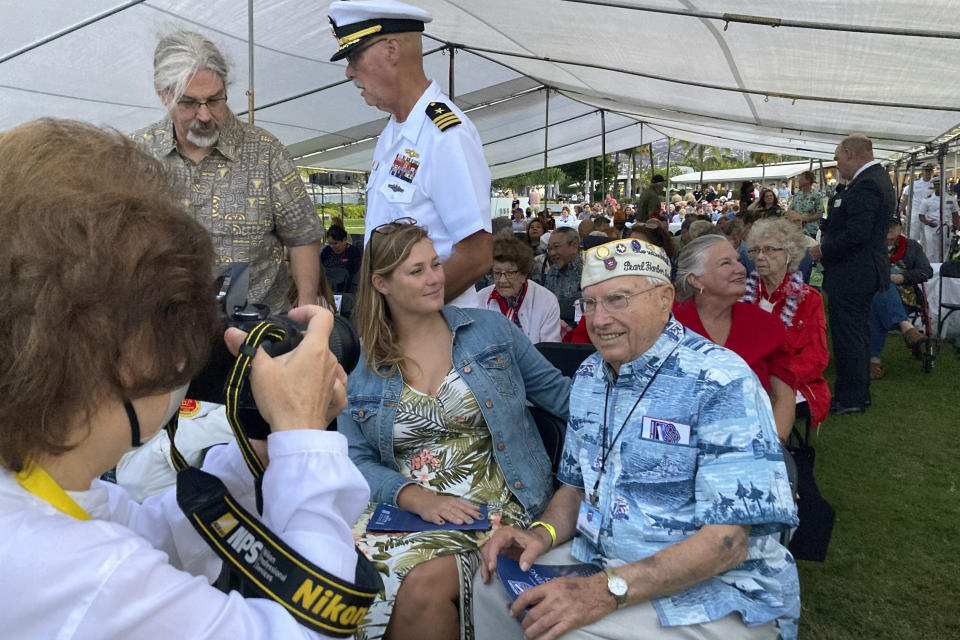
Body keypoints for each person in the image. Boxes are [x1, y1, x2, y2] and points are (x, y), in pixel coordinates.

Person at [0, 118, 365, 638]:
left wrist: (256, 450)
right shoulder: (84, 575)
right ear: (121, 353)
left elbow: (144, 532)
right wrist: (304, 440)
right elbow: (305, 630)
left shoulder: (41, 492)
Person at [473, 238, 800, 640]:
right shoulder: (591, 376)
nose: (599, 318)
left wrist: (606, 591)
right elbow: (575, 490)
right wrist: (538, 536)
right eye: (589, 304)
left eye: (617, 299)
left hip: (715, 591)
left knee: (561, 630)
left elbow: (728, 542)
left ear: (664, 299)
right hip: (604, 562)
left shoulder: (720, 380)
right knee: (489, 585)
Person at [339, 221, 570, 640]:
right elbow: (353, 456)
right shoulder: (362, 362)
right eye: (416, 271)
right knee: (333, 570)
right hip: (405, 509)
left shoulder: (490, 332)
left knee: (422, 585)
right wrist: (416, 497)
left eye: (435, 265)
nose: (434, 279)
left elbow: (564, 398)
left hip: (497, 505)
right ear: (381, 284)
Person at [131, 30, 322, 312]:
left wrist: (306, 307)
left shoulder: (265, 152)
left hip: (255, 336)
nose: (205, 115)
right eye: (190, 103)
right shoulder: (136, 156)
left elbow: (303, 236)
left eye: (215, 99)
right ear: (163, 96)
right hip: (165, 335)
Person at [330, 0, 492, 307]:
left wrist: (403, 316)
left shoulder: (445, 135)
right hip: (396, 337)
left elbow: (476, 255)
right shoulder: (394, 131)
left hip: (437, 337)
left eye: (354, 56)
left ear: (391, 49)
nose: (349, 72)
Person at [673, 235, 797, 440]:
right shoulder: (666, 323)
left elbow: (783, 395)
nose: (740, 269)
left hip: (749, 442)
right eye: (725, 263)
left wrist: (772, 449)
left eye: (738, 260)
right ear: (695, 279)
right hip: (677, 441)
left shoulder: (766, 325)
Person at [809, 134, 893, 415]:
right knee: (855, 334)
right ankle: (858, 393)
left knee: (849, 336)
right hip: (857, 271)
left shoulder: (867, 184)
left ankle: (850, 398)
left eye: (837, 157)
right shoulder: (870, 180)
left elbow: (858, 233)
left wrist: (823, 250)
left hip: (854, 273)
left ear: (849, 153)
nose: (836, 163)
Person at [744, 219, 832, 428]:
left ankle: (774, 449)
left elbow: (817, 356)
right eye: (755, 250)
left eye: (769, 249)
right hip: (748, 377)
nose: (760, 256)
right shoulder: (742, 296)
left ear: (788, 255)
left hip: (791, 380)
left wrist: (778, 378)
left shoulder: (808, 298)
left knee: (771, 400)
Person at [868, 217, 933, 378]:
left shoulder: (912, 247)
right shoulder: (870, 246)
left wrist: (902, 277)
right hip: (874, 294)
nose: (890, 229)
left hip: (905, 298)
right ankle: (907, 327)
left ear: (900, 228)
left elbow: (926, 271)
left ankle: (874, 360)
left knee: (879, 299)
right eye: (886, 226)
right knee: (881, 287)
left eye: (894, 226)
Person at [479, 236, 563, 343]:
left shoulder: (547, 301)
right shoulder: (481, 298)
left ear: (524, 274)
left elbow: (549, 349)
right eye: (497, 273)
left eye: (510, 273)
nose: (502, 280)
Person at [532, 226, 584, 302]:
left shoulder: (588, 269)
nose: (552, 253)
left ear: (574, 246)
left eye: (556, 246)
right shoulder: (553, 270)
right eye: (549, 248)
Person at [916, 176, 959, 262]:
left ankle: (943, 268)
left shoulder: (951, 199)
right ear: (934, 186)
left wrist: (957, 228)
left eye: (941, 185)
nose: (939, 187)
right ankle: (932, 269)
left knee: (945, 250)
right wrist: (928, 222)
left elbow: (955, 215)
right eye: (937, 185)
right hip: (932, 227)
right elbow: (921, 215)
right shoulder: (927, 200)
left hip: (947, 227)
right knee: (932, 251)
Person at [900, 162, 935, 246]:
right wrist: (900, 212)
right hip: (915, 214)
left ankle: (924, 257)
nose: (928, 172)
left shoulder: (935, 185)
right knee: (912, 237)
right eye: (926, 170)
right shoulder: (914, 184)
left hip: (928, 215)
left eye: (930, 170)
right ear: (922, 171)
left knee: (926, 239)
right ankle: (911, 256)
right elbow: (905, 198)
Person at [787, 170, 824, 238]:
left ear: (808, 180)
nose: (799, 181)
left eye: (801, 179)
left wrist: (807, 218)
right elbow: (790, 210)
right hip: (797, 230)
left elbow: (820, 214)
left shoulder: (817, 195)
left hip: (811, 231)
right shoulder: (797, 195)